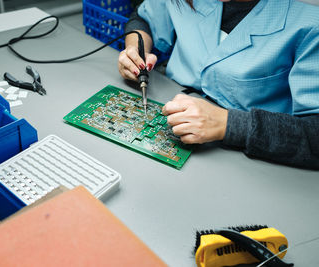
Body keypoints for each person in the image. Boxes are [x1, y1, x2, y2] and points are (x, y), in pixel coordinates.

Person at [118, 0, 319, 169]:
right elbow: (144, 18)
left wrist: (229, 124)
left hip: (255, 164)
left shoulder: (309, 21)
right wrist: (135, 50)